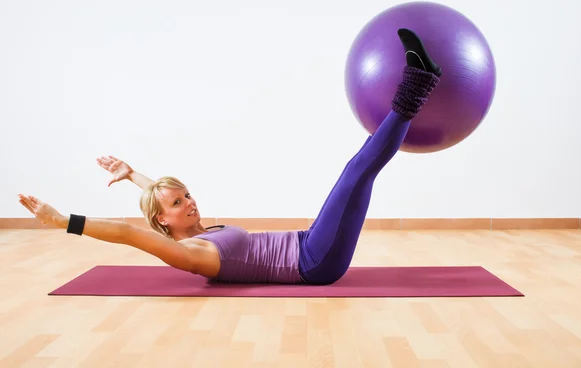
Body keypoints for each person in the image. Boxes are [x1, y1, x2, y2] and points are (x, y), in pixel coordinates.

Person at [18, 28, 442, 285]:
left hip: (307, 242)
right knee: (357, 173)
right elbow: (131, 232)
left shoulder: (193, 227)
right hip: (314, 262)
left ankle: (420, 81)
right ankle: (418, 83)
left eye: (187, 195)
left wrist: (134, 176)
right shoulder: (193, 256)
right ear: (164, 220)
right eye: (180, 202)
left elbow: (159, 200)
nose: (190, 202)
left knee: (358, 176)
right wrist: (62, 222)